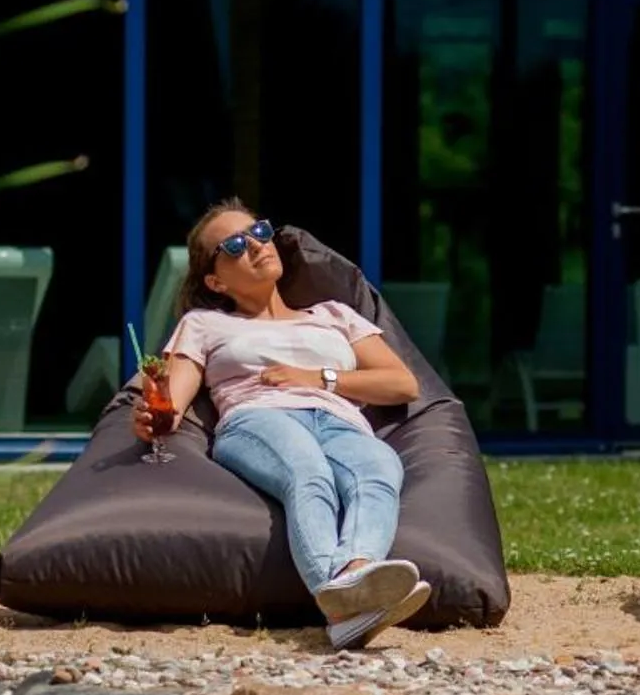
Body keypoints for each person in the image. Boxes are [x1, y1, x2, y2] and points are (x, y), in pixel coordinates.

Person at [135, 199, 429, 649]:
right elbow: (172, 400)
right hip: (258, 417)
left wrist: (319, 378)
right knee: (307, 470)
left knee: (380, 465)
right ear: (215, 280)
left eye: (260, 232)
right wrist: (153, 418)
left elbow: (401, 383)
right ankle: (335, 599)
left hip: (338, 419)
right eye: (235, 245)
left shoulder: (333, 315)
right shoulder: (205, 323)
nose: (255, 245)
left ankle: (355, 578)